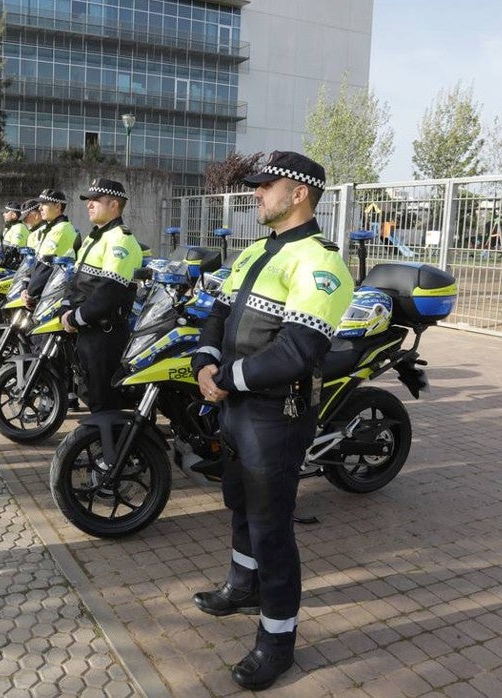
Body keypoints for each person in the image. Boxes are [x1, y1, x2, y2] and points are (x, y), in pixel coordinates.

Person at [189, 151, 354, 690]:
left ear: (299, 193)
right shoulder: (256, 250)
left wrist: (226, 378)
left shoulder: (320, 262)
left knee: (272, 528)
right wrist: (203, 361)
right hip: (237, 405)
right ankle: (243, 586)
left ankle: (277, 641)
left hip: (276, 414)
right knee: (238, 503)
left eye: (266, 186)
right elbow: (216, 310)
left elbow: (297, 352)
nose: (256, 193)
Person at [59, 179, 143, 412]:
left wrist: (75, 318)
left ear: (114, 205)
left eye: (95, 200)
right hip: (88, 331)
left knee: (105, 402)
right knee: (93, 397)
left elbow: (109, 293)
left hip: (105, 335)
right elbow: (75, 282)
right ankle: (101, 443)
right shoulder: (94, 237)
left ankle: (106, 446)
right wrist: (65, 308)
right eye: (88, 200)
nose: (89, 205)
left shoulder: (121, 240)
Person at [23, 189, 78, 309]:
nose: (40, 208)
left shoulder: (61, 230)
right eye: (40, 205)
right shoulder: (51, 229)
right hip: (48, 291)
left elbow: (45, 267)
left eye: (44, 204)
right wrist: (25, 286)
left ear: (58, 206)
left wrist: (31, 294)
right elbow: (37, 262)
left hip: (56, 295)